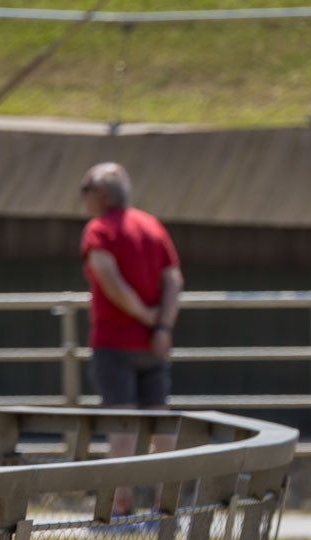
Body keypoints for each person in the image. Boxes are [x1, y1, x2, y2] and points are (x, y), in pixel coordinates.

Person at [79, 162, 183, 519]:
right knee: (160, 422)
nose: (83, 198)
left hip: (115, 343)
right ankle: (167, 502)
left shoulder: (99, 230)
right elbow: (173, 280)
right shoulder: (152, 226)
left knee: (121, 425)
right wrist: (163, 327)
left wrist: (145, 316)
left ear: (102, 195)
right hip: (153, 345)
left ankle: (121, 505)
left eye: (86, 190)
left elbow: (109, 280)